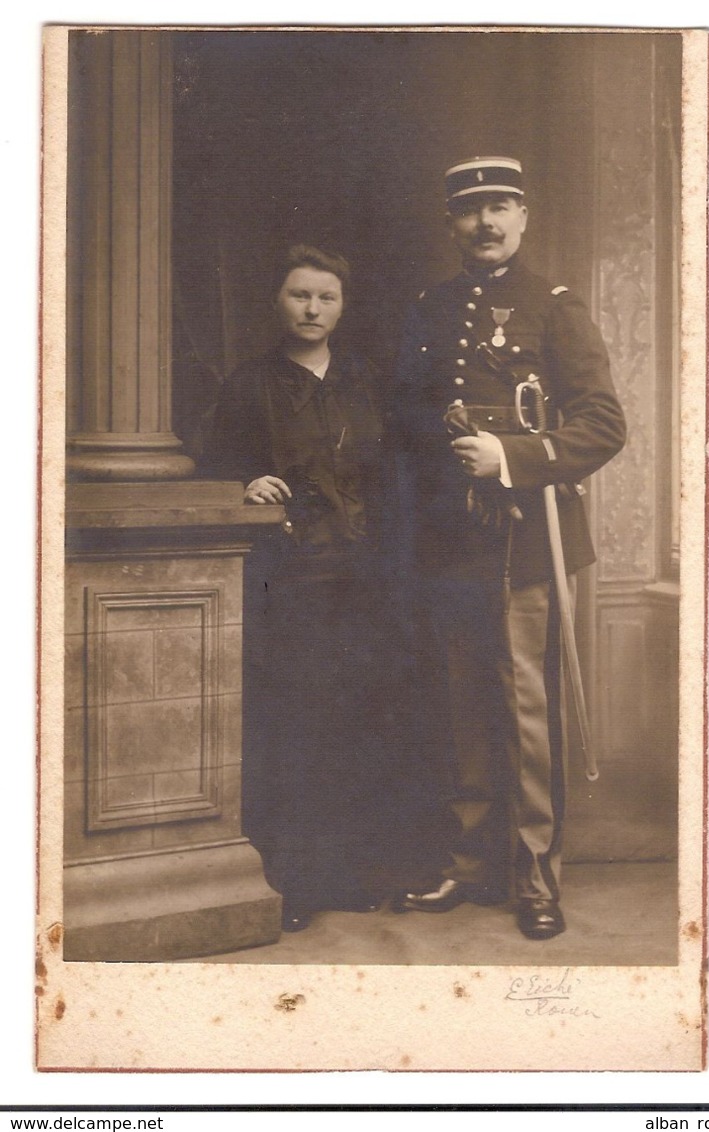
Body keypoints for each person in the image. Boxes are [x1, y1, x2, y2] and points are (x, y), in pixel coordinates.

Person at [388, 157, 626, 939]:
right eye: (469, 211)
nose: (486, 223)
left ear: (523, 215)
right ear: (450, 223)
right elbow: (405, 416)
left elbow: (602, 424)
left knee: (526, 710)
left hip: (528, 541)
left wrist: (511, 458)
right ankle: (468, 863)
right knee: (459, 705)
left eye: (499, 207)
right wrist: (445, 435)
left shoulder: (555, 308)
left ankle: (534, 877)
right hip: (450, 539)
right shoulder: (431, 307)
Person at [204, 244, 393, 932]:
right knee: (296, 727)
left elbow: (391, 474)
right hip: (289, 583)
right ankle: (293, 882)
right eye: (300, 295)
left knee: (355, 724)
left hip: (364, 581)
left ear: (343, 306)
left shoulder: (366, 380)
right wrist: (244, 485)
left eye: (327, 297)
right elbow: (215, 467)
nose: (313, 309)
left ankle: (346, 873)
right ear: (277, 302)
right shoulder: (250, 383)